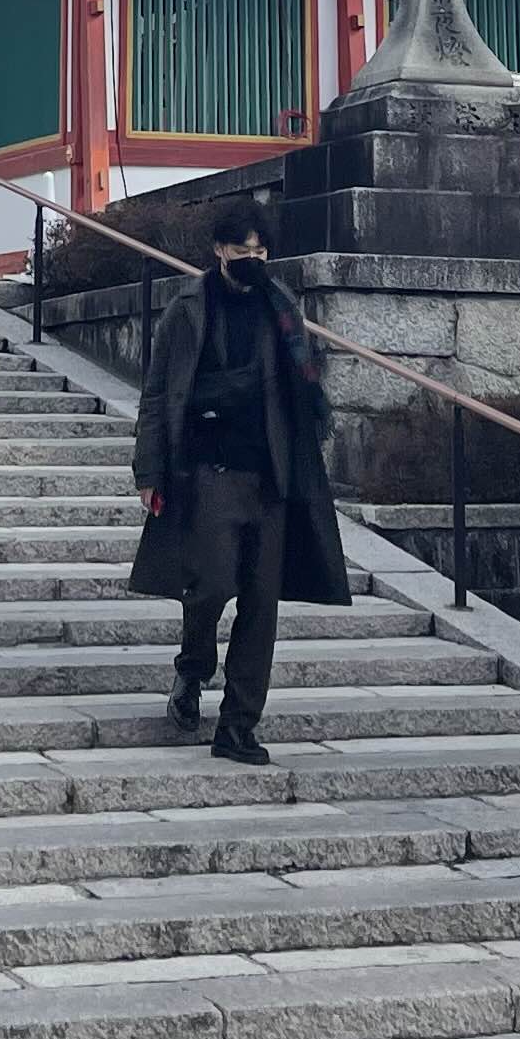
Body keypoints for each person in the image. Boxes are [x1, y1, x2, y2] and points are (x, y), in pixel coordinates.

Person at [131, 198, 351, 767]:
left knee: (261, 601)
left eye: (260, 251)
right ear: (219, 251)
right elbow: (158, 393)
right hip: (208, 469)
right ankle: (193, 667)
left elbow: (303, 383)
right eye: (241, 250)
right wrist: (149, 470)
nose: (253, 259)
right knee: (210, 584)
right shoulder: (187, 309)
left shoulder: (282, 306)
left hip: (272, 472)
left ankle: (238, 725)